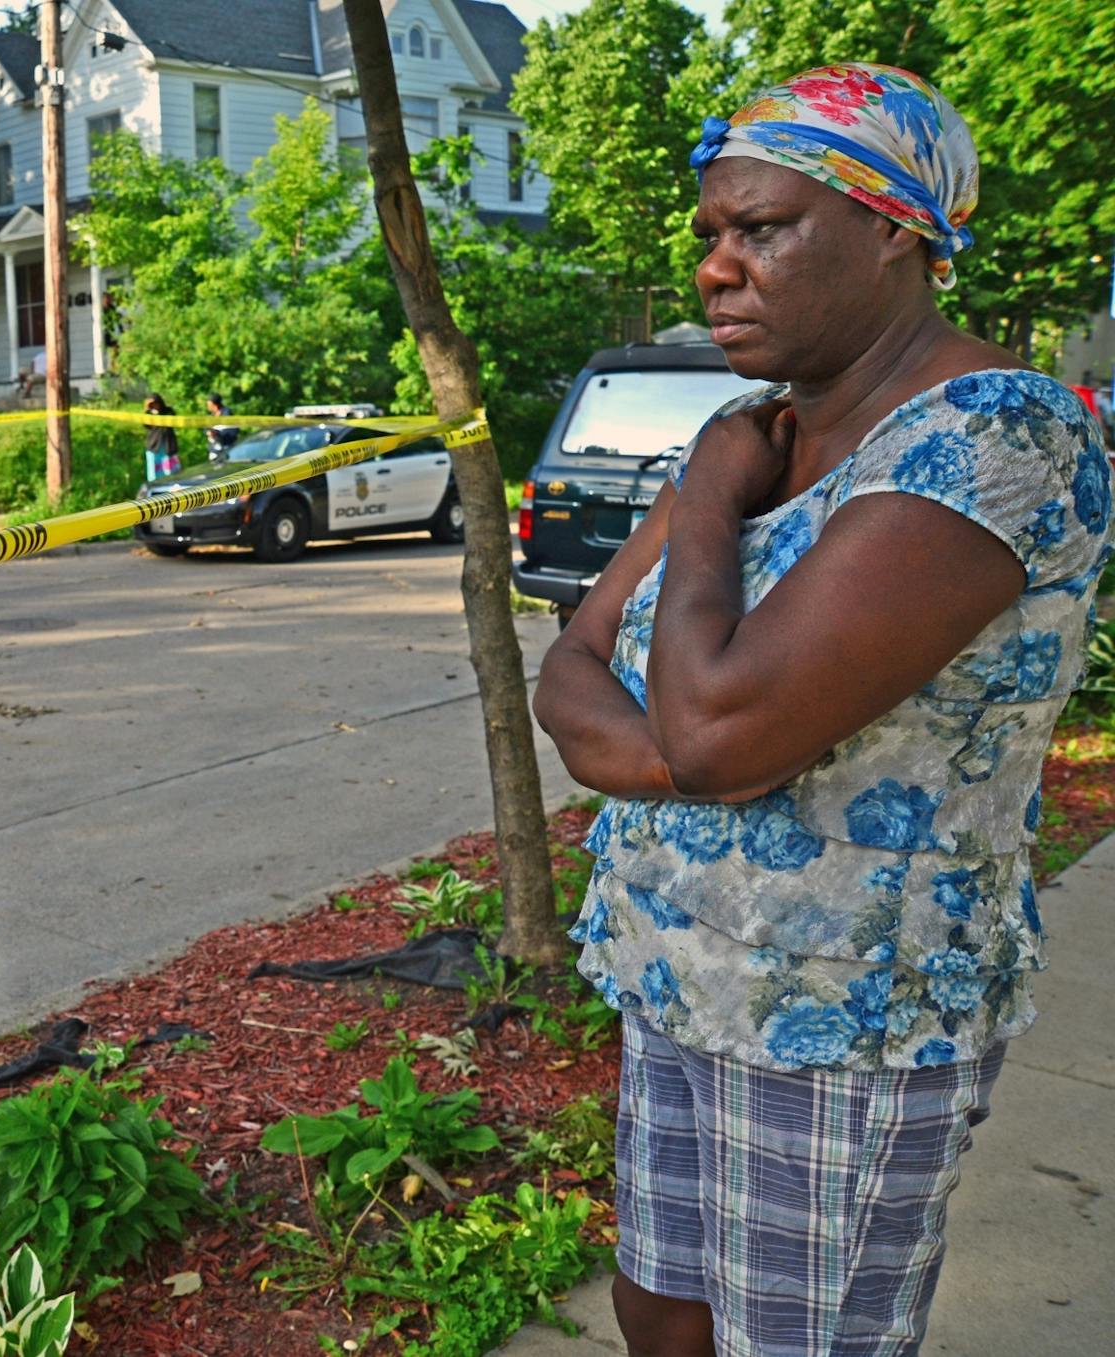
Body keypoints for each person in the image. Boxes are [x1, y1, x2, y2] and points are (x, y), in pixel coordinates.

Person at [533, 65, 1110, 1357]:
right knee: (659, 1317)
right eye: (709, 239)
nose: (718, 271)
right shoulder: (759, 434)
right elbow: (571, 666)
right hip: (677, 975)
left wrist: (712, 515)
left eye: (763, 229)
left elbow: (721, 725)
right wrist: (686, 735)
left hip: (840, 1015)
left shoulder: (990, 438)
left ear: (892, 227)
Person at [142, 394, 180, 480]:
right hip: (154, 447)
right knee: (154, 474)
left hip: (168, 446)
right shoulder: (148, 414)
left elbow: (174, 418)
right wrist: (147, 409)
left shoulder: (168, 411)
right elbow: (146, 425)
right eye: (152, 404)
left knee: (171, 472)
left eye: (155, 403)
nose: (154, 406)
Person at [202, 394, 237, 459]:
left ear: (215, 405)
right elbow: (205, 429)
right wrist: (209, 432)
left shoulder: (227, 413)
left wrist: (217, 433)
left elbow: (232, 431)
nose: (208, 407)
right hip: (214, 450)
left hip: (227, 447)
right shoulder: (210, 416)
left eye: (209, 405)